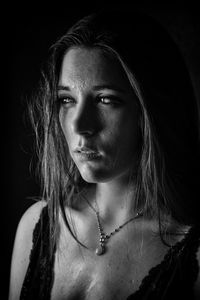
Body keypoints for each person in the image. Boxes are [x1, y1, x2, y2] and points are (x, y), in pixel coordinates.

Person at [9, 8, 200, 300]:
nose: (79, 125)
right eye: (66, 99)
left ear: (150, 110)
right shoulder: (36, 226)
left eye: (105, 99)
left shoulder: (192, 253)